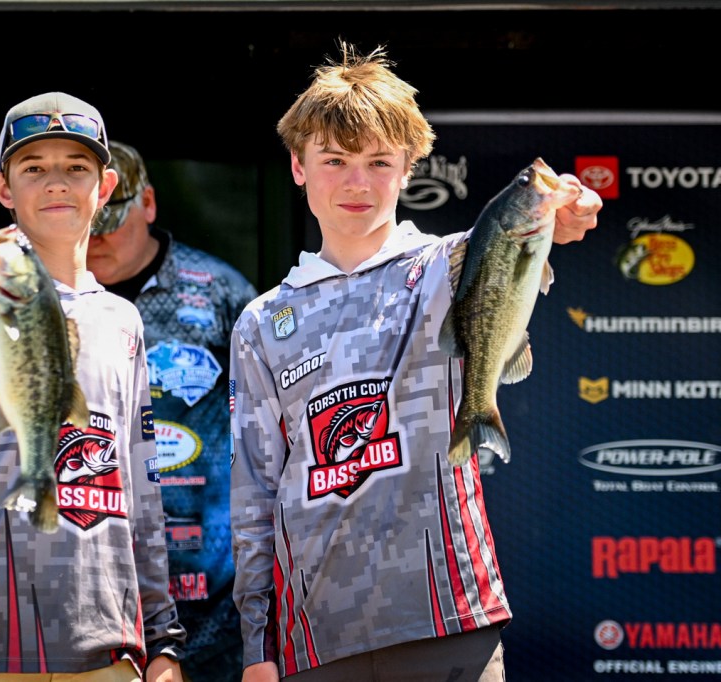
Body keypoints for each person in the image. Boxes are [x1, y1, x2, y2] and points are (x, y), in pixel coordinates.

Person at [228, 43, 603, 682]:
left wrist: (564, 211)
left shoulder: (447, 265)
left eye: (379, 161)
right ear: (297, 166)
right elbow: (254, 494)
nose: (357, 182)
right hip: (314, 639)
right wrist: (256, 645)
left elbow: (524, 234)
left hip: (450, 618)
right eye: (334, 160)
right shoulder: (262, 321)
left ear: (407, 169)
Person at [0, 91, 186, 681]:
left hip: (110, 643)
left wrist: (163, 640)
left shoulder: (123, 320)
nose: (56, 184)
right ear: (2, 188)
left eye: (75, 167)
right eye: (34, 168)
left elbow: (143, 492)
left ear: (106, 185)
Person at [86, 141, 258, 682]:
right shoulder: (53, 300)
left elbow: (270, 432)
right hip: (91, 579)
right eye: (86, 225)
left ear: (149, 204)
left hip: (211, 589)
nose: (96, 239)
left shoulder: (221, 292)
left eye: (109, 223)